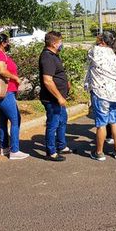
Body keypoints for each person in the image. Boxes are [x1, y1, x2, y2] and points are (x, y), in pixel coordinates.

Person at [85, 32, 116, 161]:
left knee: (101, 124)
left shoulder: (94, 51)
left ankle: (99, 152)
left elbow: (89, 58)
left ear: (102, 41)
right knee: (115, 122)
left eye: (99, 38)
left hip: (102, 93)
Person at [0, 34, 29, 160]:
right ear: (3, 43)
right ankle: (14, 150)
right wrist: (16, 78)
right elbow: (2, 70)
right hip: (6, 92)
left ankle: (4, 147)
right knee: (15, 119)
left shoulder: (1, 54)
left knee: (3, 120)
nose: (9, 42)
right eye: (7, 41)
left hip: (7, 91)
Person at [39, 31, 70, 161]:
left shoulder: (54, 55)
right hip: (52, 99)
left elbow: (58, 73)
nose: (61, 44)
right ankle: (51, 152)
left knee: (63, 120)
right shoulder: (47, 57)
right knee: (53, 124)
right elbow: (47, 80)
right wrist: (59, 97)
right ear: (53, 43)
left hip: (58, 98)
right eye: (60, 42)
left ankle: (61, 146)